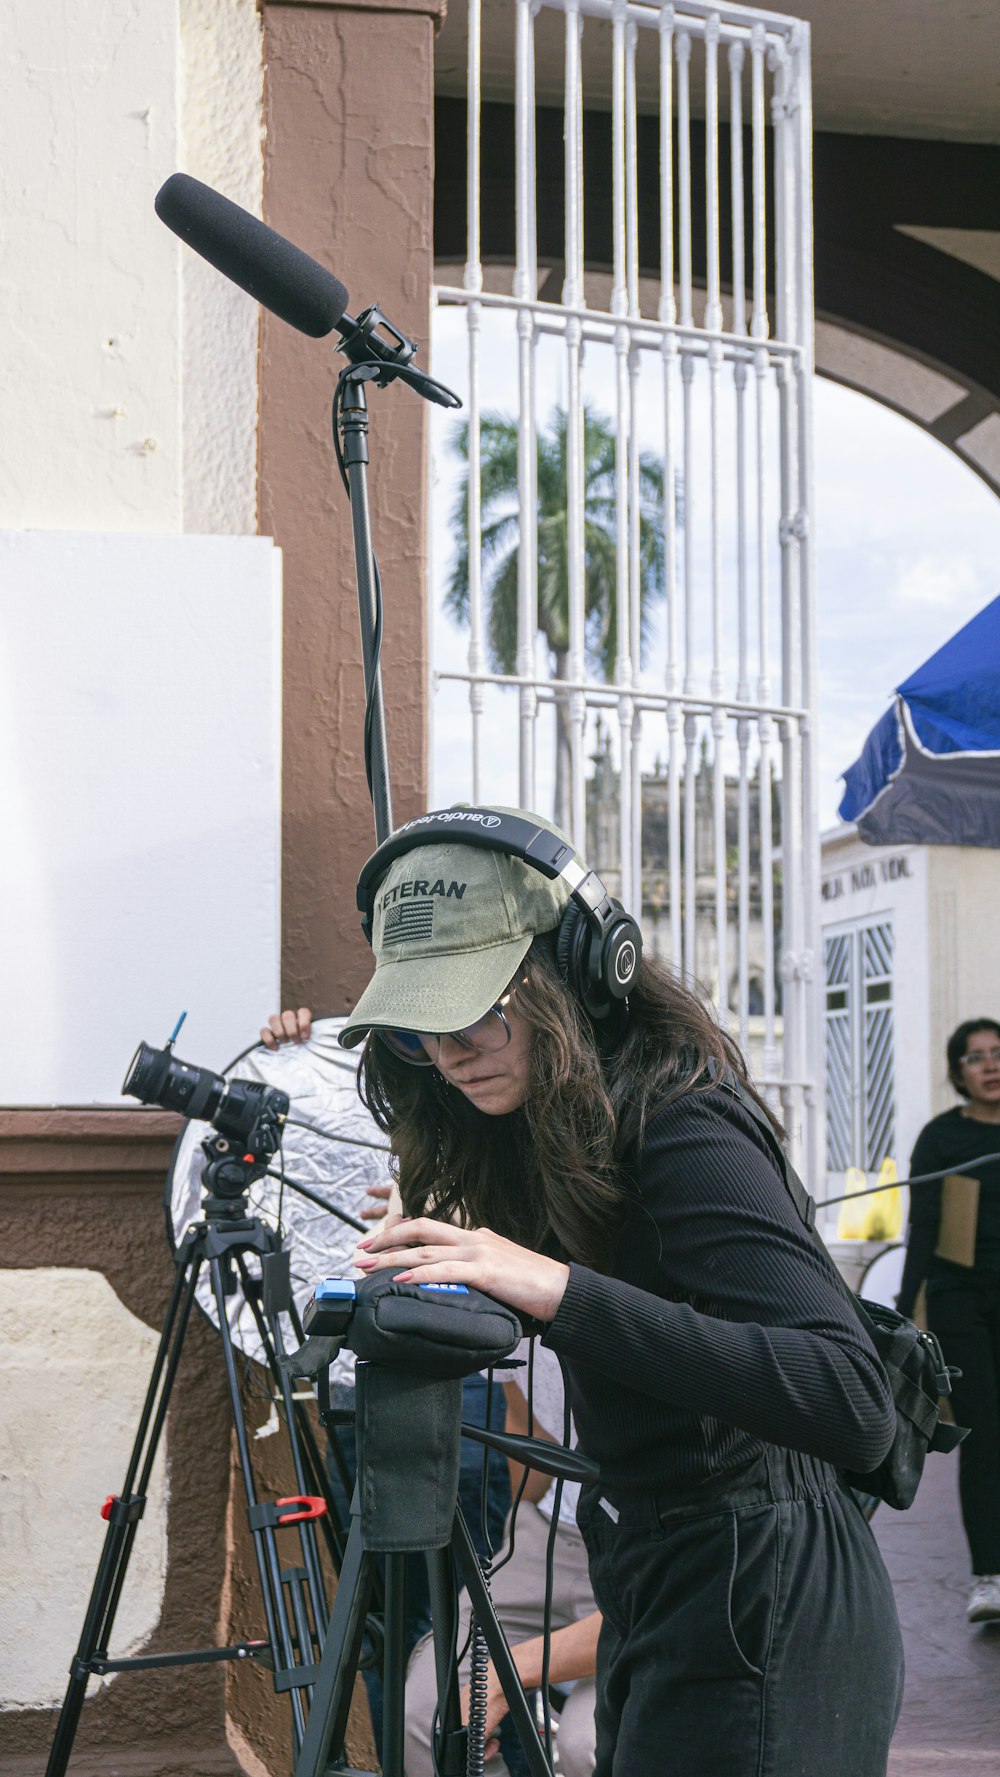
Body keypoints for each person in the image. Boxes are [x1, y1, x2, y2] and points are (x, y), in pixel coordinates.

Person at [339, 812, 905, 1777]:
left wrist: (555, 1287)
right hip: (663, 1582)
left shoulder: (683, 1124)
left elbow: (854, 1402)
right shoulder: (559, 1132)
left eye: (478, 1011)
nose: (450, 1053)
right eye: (418, 1027)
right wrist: (478, 1246)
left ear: (581, 972)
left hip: (765, 1600)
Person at [404, 1340, 599, 1777]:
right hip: (548, 1530)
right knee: (431, 1719)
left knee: (589, 1745)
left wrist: (500, 1679)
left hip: (649, 1543)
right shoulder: (507, 1307)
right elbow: (529, 1421)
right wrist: (520, 1521)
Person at [896, 1017, 1000, 1626]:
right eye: (975, 1056)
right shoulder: (944, 1138)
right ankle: (989, 1576)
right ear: (958, 1071)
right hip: (964, 1299)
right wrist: (905, 1310)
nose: (990, 1065)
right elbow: (924, 1233)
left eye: (997, 1053)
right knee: (984, 1437)